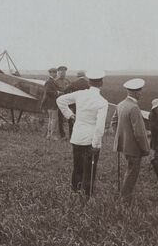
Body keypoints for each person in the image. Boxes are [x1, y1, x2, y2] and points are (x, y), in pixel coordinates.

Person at [56, 69, 109, 197]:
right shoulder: (102, 102)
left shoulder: (80, 94)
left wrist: (70, 115)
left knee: (77, 167)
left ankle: (75, 192)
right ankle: (85, 197)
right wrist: (96, 144)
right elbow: (99, 127)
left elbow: (60, 100)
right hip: (90, 140)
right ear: (101, 83)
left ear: (89, 82)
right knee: (89, 170)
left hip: (77, 137)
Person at [110, 78, 150, 202]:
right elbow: (139, 133)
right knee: (132, 173)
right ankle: (125, 199)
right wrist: (145, 149)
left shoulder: (120, 104)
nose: (141, 93)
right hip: (134, 148)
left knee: (130, 170)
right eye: (140, 91)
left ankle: (124, 196)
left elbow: (113, 123)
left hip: (125, 146)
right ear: (135, 92)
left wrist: (122, 138)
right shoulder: (134, 108)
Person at [41, 67, 60, 139]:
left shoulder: (51, 81)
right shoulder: (49, 82)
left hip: (50, 104)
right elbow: (48, 92)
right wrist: (57, 93)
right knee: (54, 119)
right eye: (54, 72)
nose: (56, 74)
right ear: (50, 73)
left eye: (56, 72)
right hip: (52, 104)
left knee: (51, 119)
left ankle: (49, 135)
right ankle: (52, 135)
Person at [54, 66, 71, 139]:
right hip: (59, 103)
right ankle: (61, 134)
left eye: (64, 72)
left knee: (69, 117)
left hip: (67, 102)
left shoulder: (67, 81)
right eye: (61, 72)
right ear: (58, 73)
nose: (63, 73)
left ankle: (71, 134)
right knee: (59, 119)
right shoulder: (55, 81)